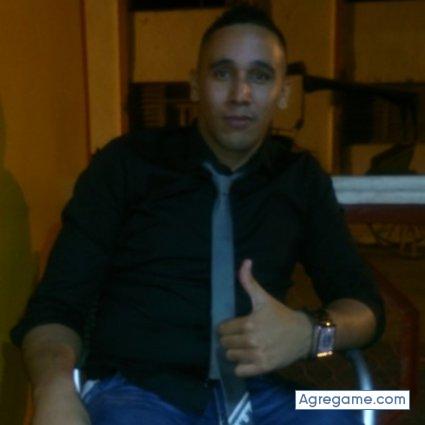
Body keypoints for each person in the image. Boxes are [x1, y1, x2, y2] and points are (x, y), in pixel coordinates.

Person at [11, 4, 384, 425]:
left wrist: (310, 334)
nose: (240, 94)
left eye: (260, 76)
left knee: (358, 409)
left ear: (283, 93)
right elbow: (55, 308)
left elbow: (366, 309)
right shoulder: (126, 165)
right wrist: (54, 391)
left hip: (263, 393)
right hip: (136, 393)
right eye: (222, 73)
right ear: (195, 84)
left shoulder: (300, 178)